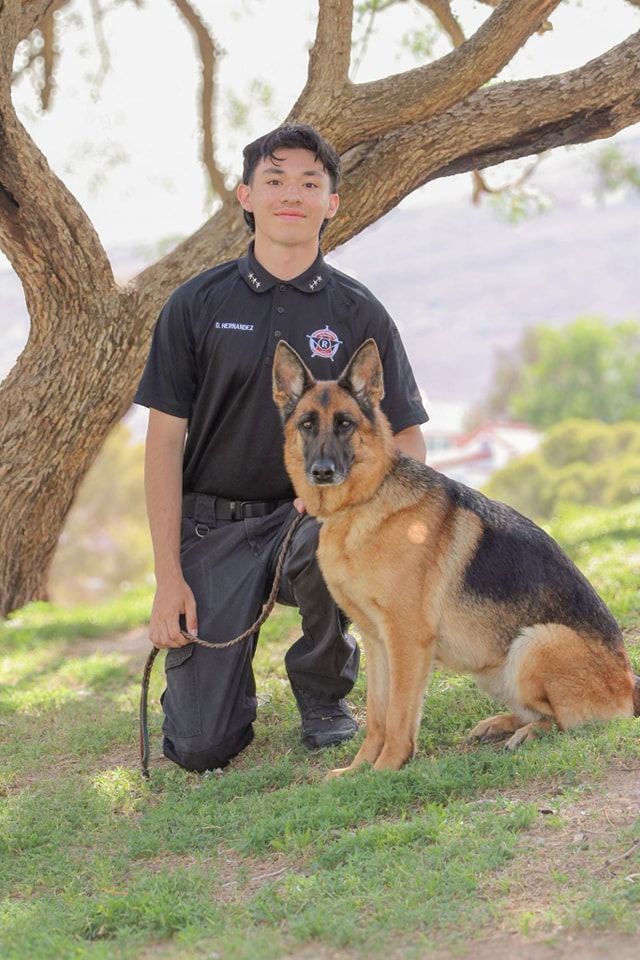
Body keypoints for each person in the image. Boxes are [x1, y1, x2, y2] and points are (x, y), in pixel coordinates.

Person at [135, 123, 428, 774]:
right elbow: (162, 447)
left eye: (309, 182)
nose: (291, 193)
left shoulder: (360, 311)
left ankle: (325, 697)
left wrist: (380, 523)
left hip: (315, 520)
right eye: (274, 180)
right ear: (244, 196)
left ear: (332, 204)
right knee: (202, 747)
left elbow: (406, 435)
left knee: (332, 542)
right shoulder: (195, 304)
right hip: (213, 527)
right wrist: (168, 579)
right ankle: (204, 693)